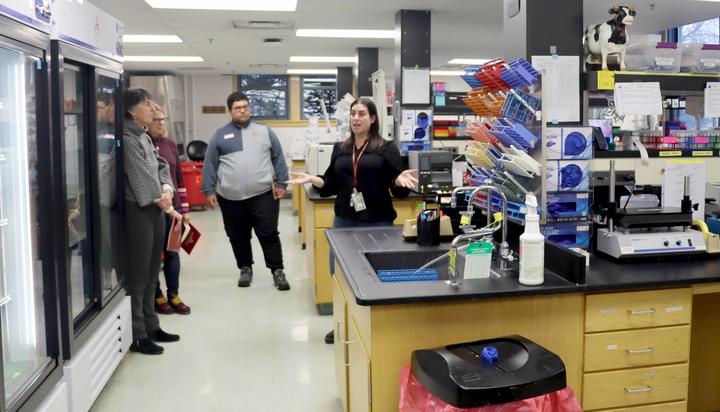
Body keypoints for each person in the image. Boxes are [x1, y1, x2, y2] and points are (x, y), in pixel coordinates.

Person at [286, 97, 417, 343]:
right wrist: (314, 180)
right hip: (344, 222)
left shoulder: (385, 148)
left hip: (377, 222)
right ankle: (343, 324)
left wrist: (399, 181)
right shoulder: (342, 148)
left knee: (374, 276)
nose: (356, 118)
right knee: (341, 276)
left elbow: (398, 186)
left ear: (373, 119)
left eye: (362, 114)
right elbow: (330, 183)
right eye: (353, 113)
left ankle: (373, 326)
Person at [201, 92, 291, 291]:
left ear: (250, 108)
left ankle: (277, 270)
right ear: (230, 111)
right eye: (237, 108)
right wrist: (208, 191)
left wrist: (283, 184)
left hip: (263, 194)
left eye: (245, 106)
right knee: (237, 235)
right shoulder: (219, 135)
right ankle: (245, 268)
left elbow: (278, 158)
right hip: (230, 197)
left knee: (268, 233)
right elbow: (210, 164)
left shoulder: (265, 131)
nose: (242, 110)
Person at [122, 88, 182, 355]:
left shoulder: (143, 136)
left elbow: (160, 165)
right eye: (147, 105)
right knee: (138, 275)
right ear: (132, 111)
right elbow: (141, 175)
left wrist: (167, 190)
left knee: (152, 271)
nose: (153, 109)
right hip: (140, 210)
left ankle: (152, 324)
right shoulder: (126, 138)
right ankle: (138, 333)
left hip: (156, 208)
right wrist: (162, 197)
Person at [148, 102, 191, 315]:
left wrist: (184, 209)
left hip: (172, 211)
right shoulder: (143, 144)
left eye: (163, 119)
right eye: (156, 119)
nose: (160, 123)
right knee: (155, 256)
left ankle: (174, 294)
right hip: (152, 210)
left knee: (173, 253)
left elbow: (179, 178)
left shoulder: (170, 145)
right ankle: (158, 296)